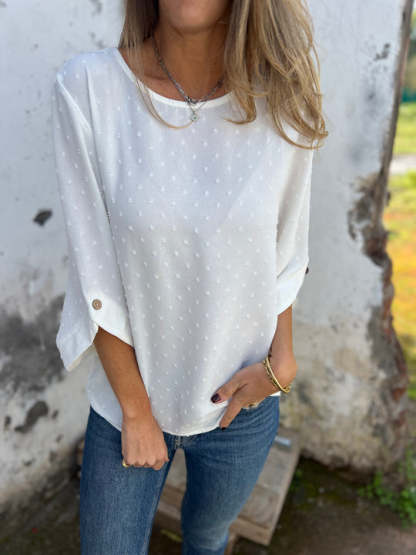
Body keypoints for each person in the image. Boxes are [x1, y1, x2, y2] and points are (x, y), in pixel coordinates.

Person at [51, 0, 327, 553]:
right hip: (129, 402)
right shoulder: (89, 89)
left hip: (240, 404)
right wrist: (136, 411)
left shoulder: (281, 96)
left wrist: (282, 362)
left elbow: (284, 249)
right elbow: (93, 271)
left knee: (206, 539)